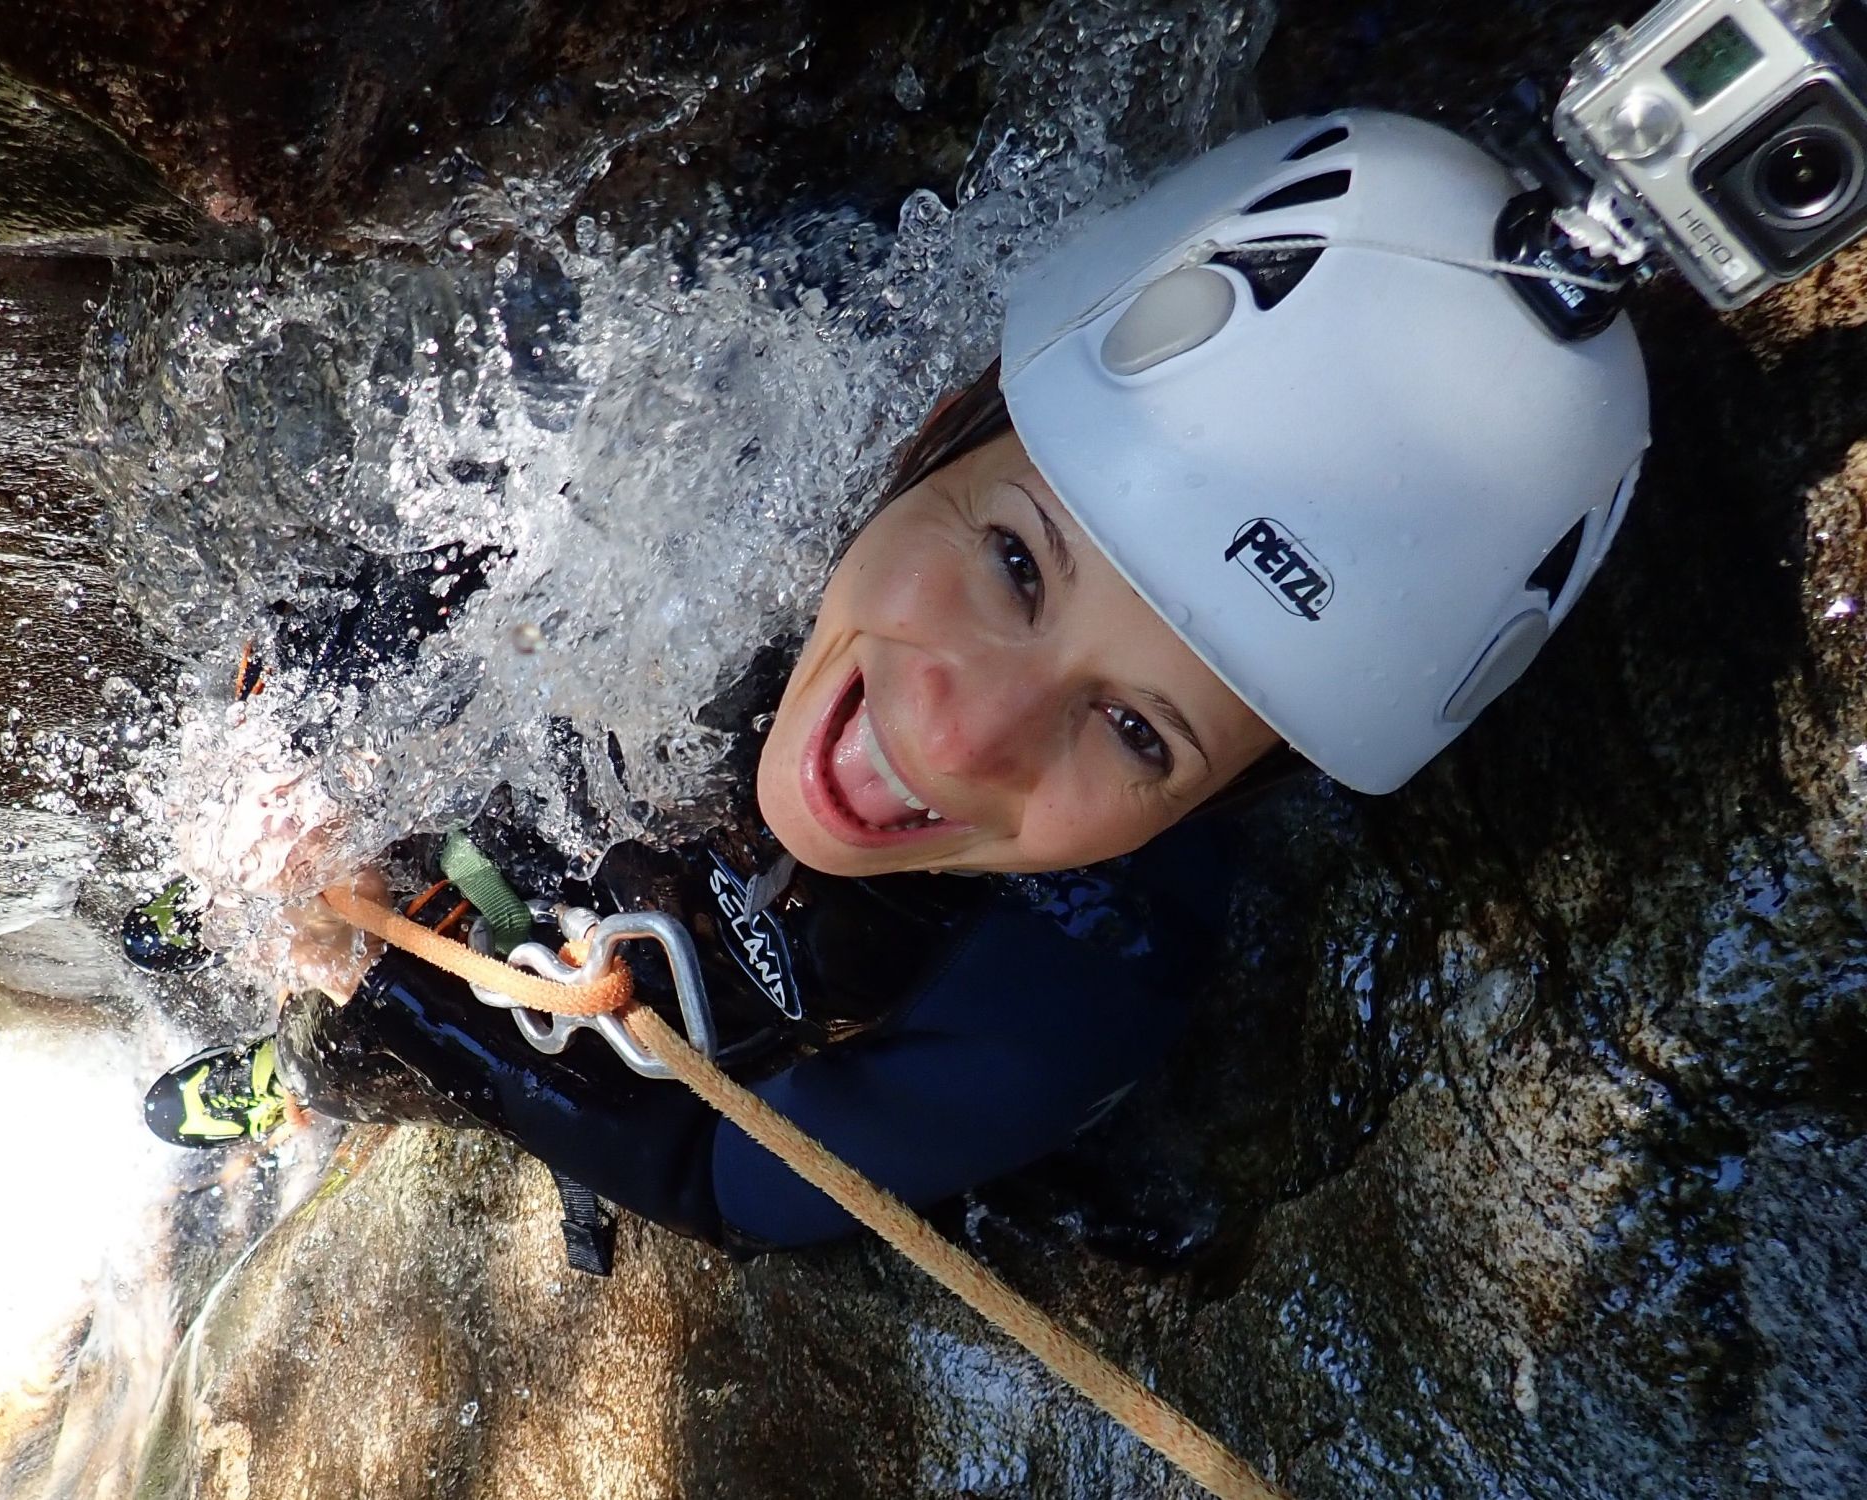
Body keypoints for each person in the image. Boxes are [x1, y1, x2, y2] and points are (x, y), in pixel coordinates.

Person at [132, 111, 1650, 1265]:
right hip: (557, 818)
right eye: (1017, 562)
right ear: (945, 423)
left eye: (1140, 731)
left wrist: (388, 990)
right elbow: (438, 542)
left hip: (658, 999)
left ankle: (309, 1078)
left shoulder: (1071, 990)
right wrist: (294, 737)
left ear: (1234, 791)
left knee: (417, 1021)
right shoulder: (744, 414)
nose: (959, 736)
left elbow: (724, 1179)